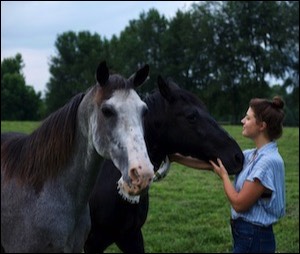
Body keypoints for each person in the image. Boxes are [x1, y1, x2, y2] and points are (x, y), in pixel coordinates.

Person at [169, 96, 286, 253]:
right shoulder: (252, 155)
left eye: (248, 118)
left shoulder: (267, 162)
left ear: (262, 126)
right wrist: (174, 157)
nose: (242, 121)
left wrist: (224, 177)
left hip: (254, 239)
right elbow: (211, 163)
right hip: (247, 236)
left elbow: (239, 204)